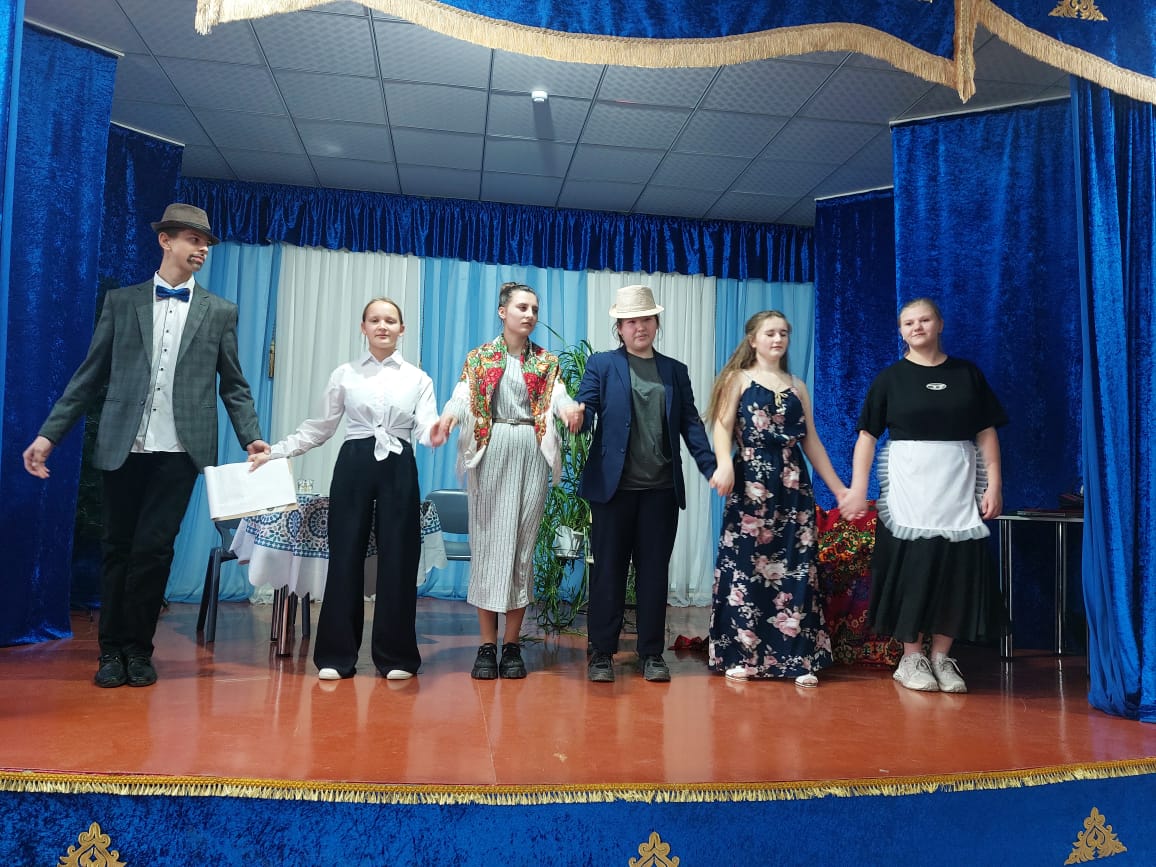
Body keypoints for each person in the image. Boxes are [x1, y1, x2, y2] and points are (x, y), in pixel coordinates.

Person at [22, 203, 268, 689]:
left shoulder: (220, 311)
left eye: (206, 243)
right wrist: (49, 435)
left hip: (181, 452)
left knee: (154, 551)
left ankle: (138, 650)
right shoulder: (122, 302)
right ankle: (110, 652)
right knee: (116, 549)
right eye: (193, 240)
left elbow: (234, 385)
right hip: (123, 445)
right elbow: (90, 375)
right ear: (166, 240)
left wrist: (251, 436)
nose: (201, 249)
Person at [249, 298, 438, 681]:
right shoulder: (345, 374)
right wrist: (277, 451)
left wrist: (439, 431)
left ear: (402, 329)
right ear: (363, 327)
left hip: (400, 464)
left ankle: (397, 657)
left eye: (390, 320)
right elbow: (319, 427)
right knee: (345, 556)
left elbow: (426, 427)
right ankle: (336, 656)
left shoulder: (419, 379)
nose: (382, 326)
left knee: (399, 559)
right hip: (354, 462)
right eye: (375, 320)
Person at [842, 298, 1007, 694]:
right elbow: (867, 437)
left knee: (956, 571)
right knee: (911, 569)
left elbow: (986, 432)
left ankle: (942, 658)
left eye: (924, 320)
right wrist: (858, 487)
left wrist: (995, 484)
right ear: (901, 331)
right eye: (908, 322)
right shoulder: (889, 379)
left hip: (958, 493)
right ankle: (912, 657)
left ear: (939, 324)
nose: (916, 327)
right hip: (907, 495)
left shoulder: (968, 374)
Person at [430, 282, 583, 680]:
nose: (529, 314)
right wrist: (449, 418)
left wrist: (569, 411)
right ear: (503, 312)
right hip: (492, 448)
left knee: (521, 549)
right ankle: (486, 645)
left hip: (531, 451)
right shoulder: (480, 357)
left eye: (534, 309)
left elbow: (558, 396)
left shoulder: (546, 362)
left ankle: (512, 645)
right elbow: (463, 395)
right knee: (488, 547)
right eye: (522, 307)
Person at [575, 284, 717, 683]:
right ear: (619, 328)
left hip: (660, 492)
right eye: (631, 321)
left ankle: (651, 653)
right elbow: (587, 408)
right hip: (613, 491)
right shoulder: (602, 365)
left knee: (654, 574)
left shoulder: (675, 371)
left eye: (647, 319)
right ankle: (601, 652)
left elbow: (691, 424)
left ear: (656, 324)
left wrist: (711, 467)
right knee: (608, 573)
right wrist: (577, 416)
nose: (640, 327)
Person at [705, 311, 849, 687]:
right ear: (753, 339)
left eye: (783, 333)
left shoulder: (797, 386)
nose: (778, 339)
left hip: (792, 484)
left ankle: (796, 657)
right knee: (745, 566)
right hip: (751, 481)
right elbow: (722, 427)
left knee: (796, 568)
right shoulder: (738, 379)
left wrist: (839, 488)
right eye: (770, 333)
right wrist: (725, 465)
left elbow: (811, 441)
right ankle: (741, 654)